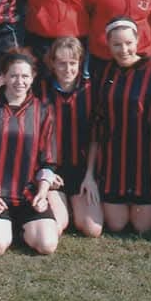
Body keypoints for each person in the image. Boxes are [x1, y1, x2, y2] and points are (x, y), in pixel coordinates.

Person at [0, 50, 59, 256]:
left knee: (47, 245)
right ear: (3, 76)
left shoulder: (43, 111)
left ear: (33, 77)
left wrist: (42, 194)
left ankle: (16, 227)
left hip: (28, 195)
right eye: (13, 75)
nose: (19, 81)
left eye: (25, 76)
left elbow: (48, 162)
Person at [85, 18, 151, 234]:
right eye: (117, 44)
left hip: (146, 165)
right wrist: (90, 172)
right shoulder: (103, 74)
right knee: (116, 225)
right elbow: (97, 124)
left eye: (128, 43)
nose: (123, 49)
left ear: (137, 41)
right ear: (108, 44)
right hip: (114, 165)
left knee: (142, 228)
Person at [35, 36, 99, 237]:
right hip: (53, 170)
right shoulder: (40, 90)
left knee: (92, 229)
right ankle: (64, 207)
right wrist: (44, 174)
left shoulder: (90, 90)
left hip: (80, 170)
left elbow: (95, 138)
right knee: (59, 224)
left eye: (73, 63)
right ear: (52, 63)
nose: (68, 69)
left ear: (80, 62)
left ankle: (74, 206)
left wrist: (90, 176)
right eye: (61, 63)